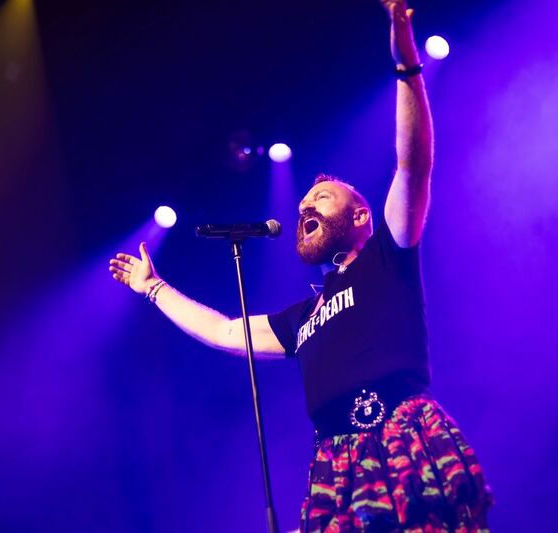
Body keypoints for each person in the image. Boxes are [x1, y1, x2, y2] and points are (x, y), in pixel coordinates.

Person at [109, 0, 493, 530]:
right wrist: (154, 288)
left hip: (400, 437)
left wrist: (406, 61)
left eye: (322, 199)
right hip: (338, 462)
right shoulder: (303, 316)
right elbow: (226, 332)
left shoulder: (388, 255)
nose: (305, 206)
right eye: (303, 204)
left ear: (360, 215)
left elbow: (413, 163)